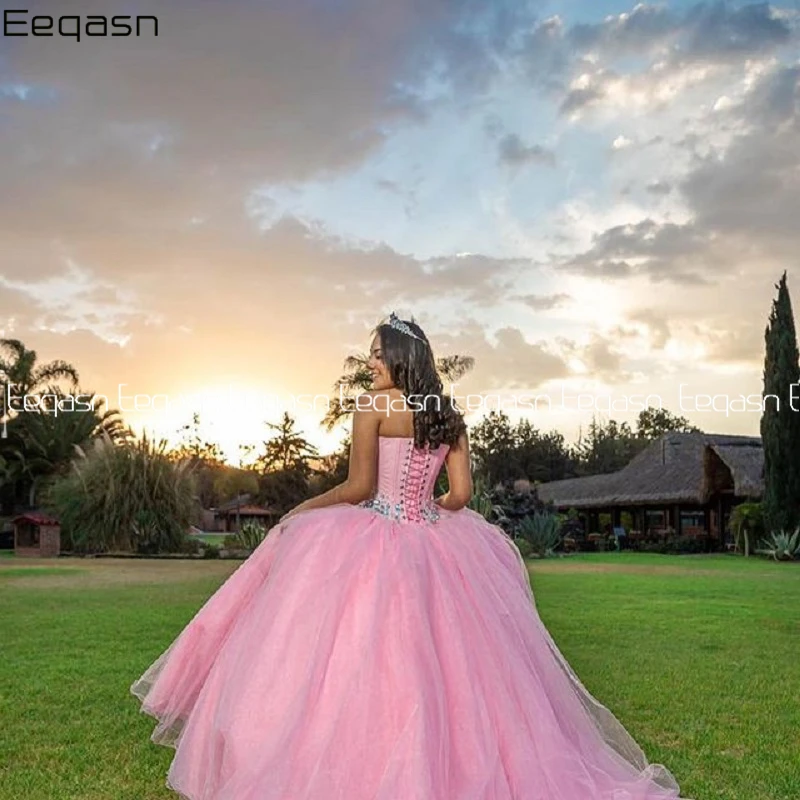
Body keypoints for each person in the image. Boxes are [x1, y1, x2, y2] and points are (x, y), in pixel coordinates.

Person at [130, 313, 692, 800]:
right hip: (434, 538)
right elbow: (463, 496)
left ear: (399, 359)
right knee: (452, 668)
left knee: (358, 658)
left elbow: (357, 487)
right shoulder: (449, 416)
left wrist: (303, 509)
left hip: (378, 536)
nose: (369, 363)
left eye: (377, 354)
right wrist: (432, 510)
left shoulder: (373, 407)